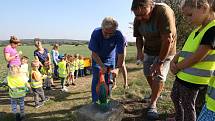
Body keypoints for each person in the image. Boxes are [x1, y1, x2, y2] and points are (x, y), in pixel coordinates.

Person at [131, 0, 177, 119]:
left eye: (144, 14)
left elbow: (167, 40)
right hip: (149, 49)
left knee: (158, 75)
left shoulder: (163, 11)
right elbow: (139, 37)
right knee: (147, 72)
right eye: (137, 15)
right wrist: (139, 51)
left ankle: (153, 104)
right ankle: (156, 93)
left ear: (151, 6)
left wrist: (160, 62)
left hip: (166, 49)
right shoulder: (138, 17)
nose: (141, 18)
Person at [170, 0, 215, 121]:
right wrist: (174, 59)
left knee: (188, 105)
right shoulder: (197, 30)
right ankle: (179, 118)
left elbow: (197, 56)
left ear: (204, 8)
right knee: (174, 96)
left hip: (194, 80)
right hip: (183, 75)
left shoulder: (212, 30)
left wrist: (177, 66)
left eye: (190, 15)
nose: (187, 19)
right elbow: (185, 50)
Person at [88, 16, 125, 103]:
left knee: (109, 79)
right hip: (97, 59)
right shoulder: (96, 33)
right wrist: (102, 66)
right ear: (102, 27)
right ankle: (95, 101)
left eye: (111, 33)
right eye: (106, 33)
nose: (108, 36)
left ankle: (106, 99)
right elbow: (94, 54)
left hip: (110, 59)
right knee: (97, 78)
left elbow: (121, 54)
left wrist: (117, 68)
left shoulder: (119, 35)